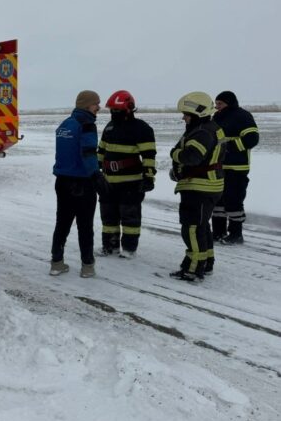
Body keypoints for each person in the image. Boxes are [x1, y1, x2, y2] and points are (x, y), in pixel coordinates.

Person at [169, 92, 224, 281]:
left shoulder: (202, 132)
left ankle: (193, 268)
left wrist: (175, 154)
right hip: (208, 186)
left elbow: (191, 157)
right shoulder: (208, 128)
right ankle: (207, 263)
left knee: (191, 228)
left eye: (186, 114)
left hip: (199, 187)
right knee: (201, 226)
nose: (183, 117)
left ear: (197, 113)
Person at [50, 90, 105, 278]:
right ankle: (87, 266)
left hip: (62, 181)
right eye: (96, 103)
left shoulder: (65, 124)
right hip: (82, 183)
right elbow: (88, 153)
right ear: (86, 105)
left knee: (62, 223)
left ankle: (56, 263)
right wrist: (96, 175)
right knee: (85, 225)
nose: (99, 107)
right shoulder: (87, 124)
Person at [97, 90, 157, 259]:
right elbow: (101, 152)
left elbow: (149, 156)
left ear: (129, 109)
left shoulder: (142, 129)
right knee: (108, 218)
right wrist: (95, 172)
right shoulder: (109, 128)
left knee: (130, 219)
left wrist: (149, 177)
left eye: (117, 110)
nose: (114, 113)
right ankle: (110, 247)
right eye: (112, 110)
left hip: (131, 183)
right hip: (108, 182)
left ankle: (129, 250)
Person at [211, 91, 260, 245]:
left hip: (237, 167)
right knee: (217, 200)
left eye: (220, 103)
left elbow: (252, 139)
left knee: (233, 200)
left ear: (229, 103)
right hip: (218, 166)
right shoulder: (217, 117)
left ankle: (236, 234)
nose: (217, 106)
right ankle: (218, 232)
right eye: (216, 103)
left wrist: (228, 147)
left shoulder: (243, 116)